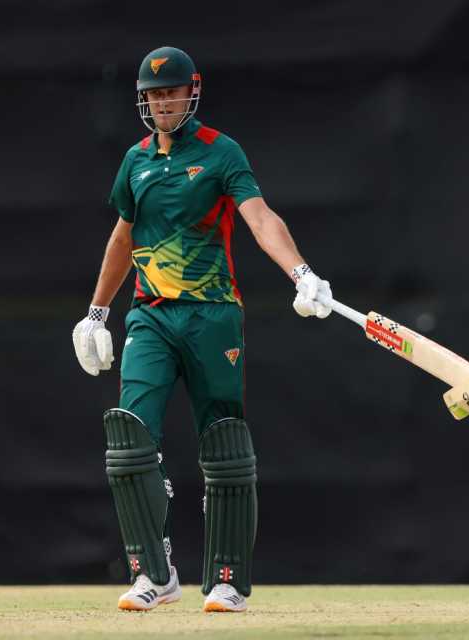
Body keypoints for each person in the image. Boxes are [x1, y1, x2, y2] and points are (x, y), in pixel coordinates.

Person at [71, 46, 334, 613]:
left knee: (224, 443)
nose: (163, 102)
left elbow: (259, 216)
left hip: (213, 314)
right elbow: (122, 237)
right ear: (143, 99)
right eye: (154, 93)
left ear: (193, 91)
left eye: (172, 91)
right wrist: (97, 311)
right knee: (129, 437)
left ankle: (228, 580)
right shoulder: (135, 161)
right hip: (151, 313)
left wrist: (301, 272)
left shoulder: (220, 152)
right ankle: (153, 574)